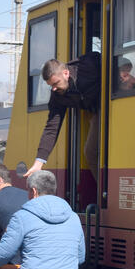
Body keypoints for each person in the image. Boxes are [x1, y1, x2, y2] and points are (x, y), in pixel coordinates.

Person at [23, 51, 101, 181]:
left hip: (114, 102)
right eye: (50, 86)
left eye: (55, 83)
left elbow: (104, 58)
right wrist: (39, 163)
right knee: (90, 152)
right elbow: (51, 128)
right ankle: (104, 191)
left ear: (66, 73)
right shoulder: (57, 96)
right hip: (97, 113)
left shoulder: (88, 66)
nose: (53, 89)